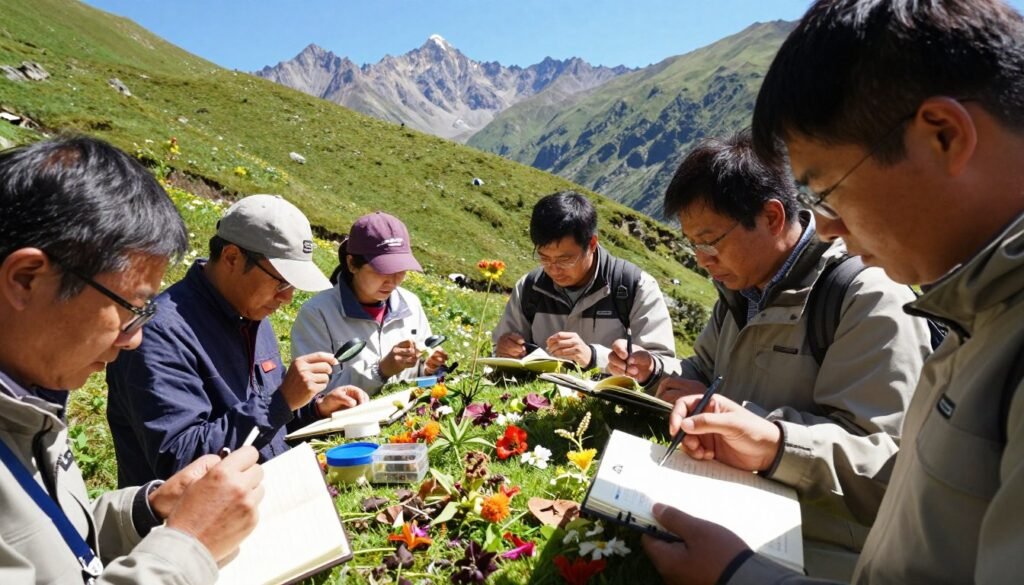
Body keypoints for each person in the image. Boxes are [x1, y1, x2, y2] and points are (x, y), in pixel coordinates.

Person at [642, 1, 1024, 583]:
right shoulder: (978, 310)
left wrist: (740, 576)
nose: (825, 226)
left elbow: (877, 459)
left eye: (825, 191)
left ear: (944, 136)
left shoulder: (879, 294)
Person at [609, 131, 932, 580]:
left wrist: (775, 445)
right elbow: (704, 371)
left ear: (772, 217)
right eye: (693, 245)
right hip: (729, 523)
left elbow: (890, 464)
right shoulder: (739, 292)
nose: (702, 260)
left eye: (709, 241)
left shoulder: (866, 296)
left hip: (819, 560)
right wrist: (656, 371)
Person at [0, 136, 262, 584]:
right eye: (130, 308)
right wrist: (187, 546)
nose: (135, 339)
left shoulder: (30, 399)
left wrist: (146, 510)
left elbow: (52, 550)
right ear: (26, 279)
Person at [106, 194, 368, 487]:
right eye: (281, 281)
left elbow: (267, 423)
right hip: (193, 526)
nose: (287, 297)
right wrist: (281, 401)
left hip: (262, 500)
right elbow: (180, 463)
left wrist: (314, 408)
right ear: (232, 257)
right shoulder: (159, 335)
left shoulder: (252, 314)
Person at [493, 191, 675, 371]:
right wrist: (504, 350)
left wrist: (593, 358)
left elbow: (662, 365)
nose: (553, 269)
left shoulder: (635, 287)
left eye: (565, 259)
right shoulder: (529, 287)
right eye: (544, 258)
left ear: (592, 244)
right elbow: (499, 351)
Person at [291, 211, 448, 394]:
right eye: (382, 269)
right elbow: (313, 393)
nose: (393, 280)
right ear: (352, 263)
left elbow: (416, 378)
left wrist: (427, 367)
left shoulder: (410, 304)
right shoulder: (318, 314)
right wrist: (380, 371)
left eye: (401, 269)